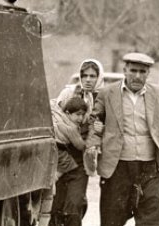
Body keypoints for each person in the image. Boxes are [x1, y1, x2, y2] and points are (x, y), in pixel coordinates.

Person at [85, 52, 159, 226]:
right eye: (133, 70)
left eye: (142, 72)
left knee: (152, 216)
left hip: (148, 167)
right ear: (124, 70)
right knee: (112, 218)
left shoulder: (156, 93)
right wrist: (93, 143)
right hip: (117, 167)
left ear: (148, 73)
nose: (137, 76)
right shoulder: (107, 93)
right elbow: (94, 121)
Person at [50, 59, 105, 226]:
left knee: (74, 204)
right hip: (62, 153)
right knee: (55, 204)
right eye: (84, 75)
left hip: (81, 157)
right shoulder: (68, 93)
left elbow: (107, 126)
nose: (88, 79)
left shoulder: (102, 98)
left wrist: (100, 130)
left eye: (93, 76)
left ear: (99, 77)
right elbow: (55, 116)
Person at [51, 97, 88, 180]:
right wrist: (86, 145)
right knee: (67, 163)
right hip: (57, 147)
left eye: (83, 115)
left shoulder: (59, 115)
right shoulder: (71, 128)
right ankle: (53, 180)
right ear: (68, 113)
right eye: (78, 114)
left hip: (52, 144)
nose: (81, 118)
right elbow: (80, 145)